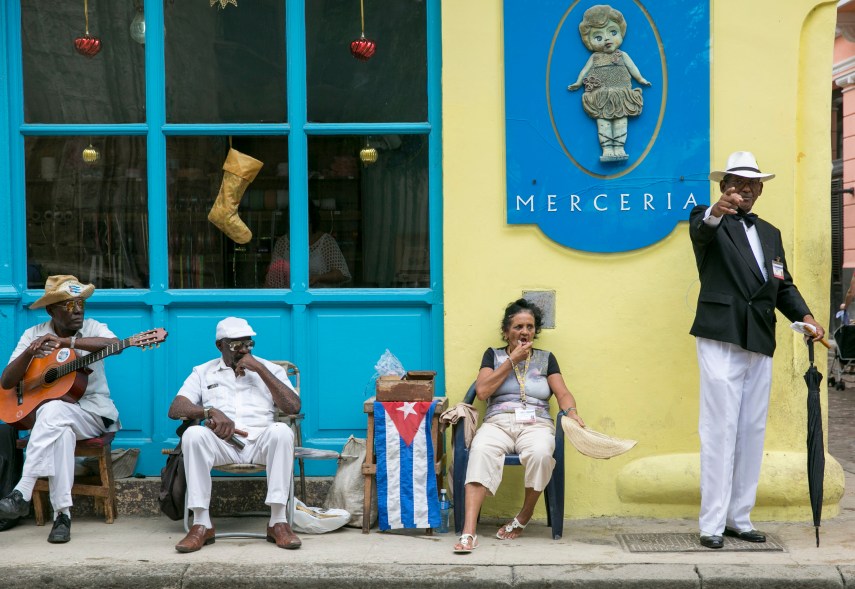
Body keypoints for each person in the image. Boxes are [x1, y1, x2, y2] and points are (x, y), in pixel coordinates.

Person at [689, 151, 825, 549]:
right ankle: (711, 524)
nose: (743, 189)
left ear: (761, 190)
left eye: (751, 183)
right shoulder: (707, 217)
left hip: (760, 338)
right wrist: (718, 210)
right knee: (720, 429)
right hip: (720, 336)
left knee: (751, 430)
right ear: (723, 187)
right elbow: (702, 230)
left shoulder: (769, 233)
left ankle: (739, 517)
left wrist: (808, 317)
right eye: (736, 182)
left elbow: (781, 285)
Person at [453, 299, 585, 554]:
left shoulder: (547, 359)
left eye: (530, 327)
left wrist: (572, 412)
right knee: (480, 451)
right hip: (498, 422)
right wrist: (511, 360)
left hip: (536, 424)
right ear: (506, 331)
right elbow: (482, 392)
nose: (525, 332)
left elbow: (563, 394)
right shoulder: (493, 354)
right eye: (518, 327)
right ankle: (469, 533)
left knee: (541, 453)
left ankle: (523, 516)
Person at [0, 275, 121, 544]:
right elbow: (7, 381)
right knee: (59, 428)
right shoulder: (33, 333)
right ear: (51, 310)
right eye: (68, 305)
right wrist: (29, 353)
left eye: (80, 303)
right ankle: (62, 517)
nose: (77, 310)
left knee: (53, 411)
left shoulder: (92, 327)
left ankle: (23, 490)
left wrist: (70, 343)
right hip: (53, 419)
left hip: (92, 412)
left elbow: (115, 346)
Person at [168, 317, 302, 552]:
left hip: (261, 444)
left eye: (248, 344)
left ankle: (278, 522)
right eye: (235, 345)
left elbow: (293, 407)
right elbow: (176, 408)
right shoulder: (203, 372)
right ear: (220, 345)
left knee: (282, 431)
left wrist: (260, 369)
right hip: (222, 445)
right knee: (193, 434)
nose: (243, 350)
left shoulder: (270, 369)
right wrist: (209, 411)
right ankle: (201, 524)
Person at [567, 4, 651, 162]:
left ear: (621, 32)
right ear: (589, 41)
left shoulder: (622, 55)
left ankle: (619, 148)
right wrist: (578, 83)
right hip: (601, 96)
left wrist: (641, 79)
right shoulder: (595, 57)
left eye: (612, 32)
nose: (607, 39)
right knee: (603, 123)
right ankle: (607, 149)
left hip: (621, 94)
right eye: (598, 37)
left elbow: (633, 69)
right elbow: (584, 71)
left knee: (621, 121)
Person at [265, 201, 351, 287]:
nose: (301, 226)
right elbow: (272, 277)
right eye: (296, 223)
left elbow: (341, 274)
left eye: (305, 222)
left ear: (313, 221)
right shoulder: (283, 243)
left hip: (321, 298)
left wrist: (318, 278)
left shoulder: (325, 241)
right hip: (291, 297)